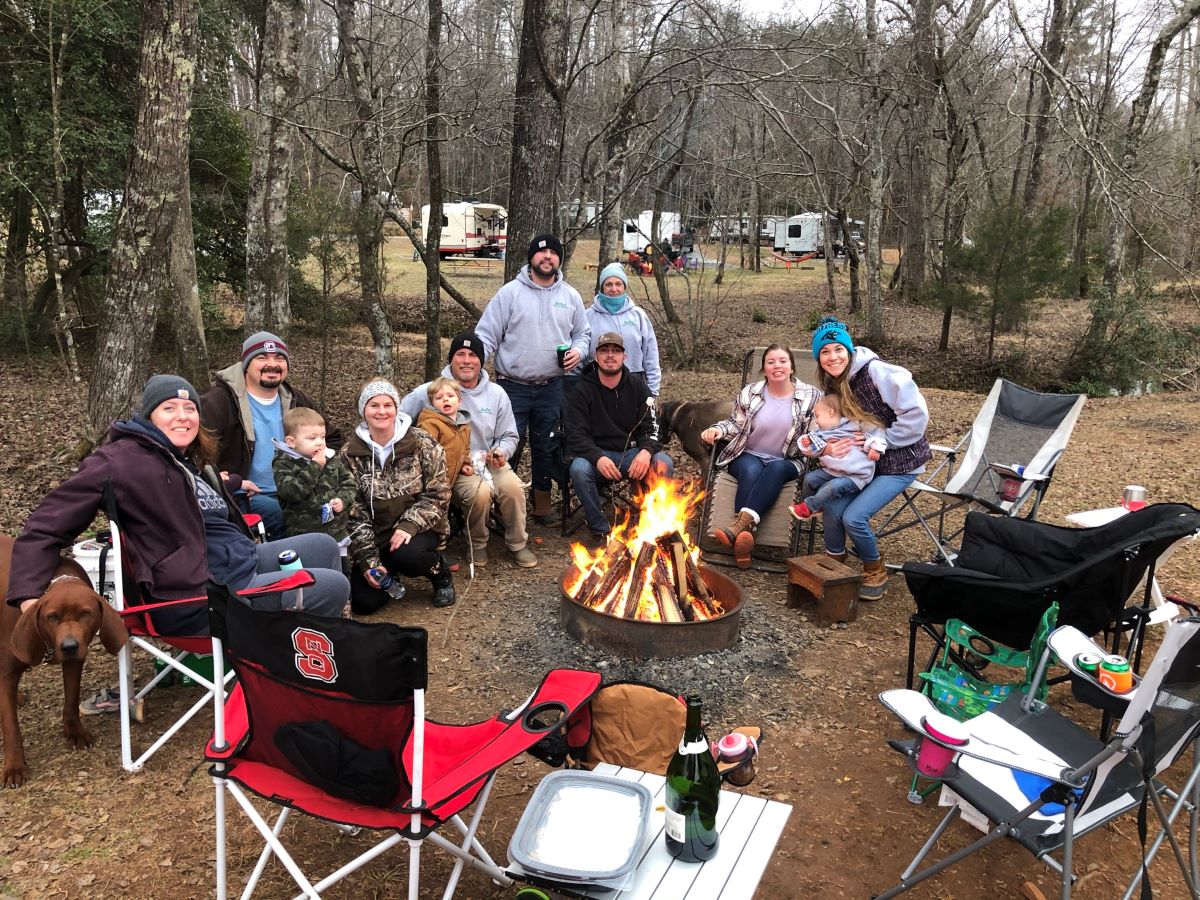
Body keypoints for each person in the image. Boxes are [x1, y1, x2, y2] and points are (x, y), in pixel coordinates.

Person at [5, 375, 352, 712]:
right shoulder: (120, 460)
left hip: (235, 562)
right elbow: (43, 528)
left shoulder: (180, 458)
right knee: (332, 586)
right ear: (149, 415)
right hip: (198, 595)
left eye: (190, 409)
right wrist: (28, 597)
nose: (182, 416)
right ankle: (296, 678)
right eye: (169, 407)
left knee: (322, 545)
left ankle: (311, 660)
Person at [808, 316, 931, 600]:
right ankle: (834, 564)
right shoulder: (835, 385)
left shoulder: (877, 372)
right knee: (833, 509)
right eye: (824, 352)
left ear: (849, 349)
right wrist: (827, 449)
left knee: (854, 517)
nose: (832, 356)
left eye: (838, 348)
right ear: (818, 358)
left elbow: (917, 415)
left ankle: (874, 567)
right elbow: (838, 428)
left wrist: (884, 441)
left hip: (900, 464)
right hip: (864, 464)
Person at [475, 233, 590, 526]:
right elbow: (486, 336)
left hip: (552, 386)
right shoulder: (510, 294)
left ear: (559, 259)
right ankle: (501, 507)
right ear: (530, 258)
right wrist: (471, 370)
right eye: (541, 253)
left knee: (545, 447)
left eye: (553, 253)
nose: (547, 257)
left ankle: (541, 506)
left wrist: (578, 350)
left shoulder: (570, 297)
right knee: (506, 446)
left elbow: (583, 334)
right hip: (511, 387)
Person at [399, 332, 536, 568]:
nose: (466, 360)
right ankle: (478, 544)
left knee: (514, 488)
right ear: (451, 359)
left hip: (489, 461)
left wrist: (502, 451)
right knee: (479, 493)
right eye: (459, 354)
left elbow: (510, 434)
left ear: (481, 361)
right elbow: (399, 418)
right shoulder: (431, 390)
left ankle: (517, 544)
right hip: (454, 467)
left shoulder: (496, 394)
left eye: (472, 355)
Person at [200, 331, 342, 541]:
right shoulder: (218, 402)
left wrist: (319, 469)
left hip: (298, 487)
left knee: (337, 512)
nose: (272, 364)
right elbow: (198, 450)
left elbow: (333, 440)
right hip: (248, 493)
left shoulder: (297, 400)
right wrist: (229, 482)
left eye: (279, 358)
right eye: (262, 357)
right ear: (246, 364)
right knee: (291, 517)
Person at [700, 344, 821, 568]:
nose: (777, 366)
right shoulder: (750, 393)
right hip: (747, 454)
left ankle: (737, 529)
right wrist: (718, 430)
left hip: (788, 460)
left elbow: (818, 432)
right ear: (764, 369)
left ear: (792, 367)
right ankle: (745, 534)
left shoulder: (812, 396)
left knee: (775, 468)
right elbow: (735, 424)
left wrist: (813, 445)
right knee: (751, 468)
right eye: (771, 362)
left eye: (783, 361)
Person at [342, 379, 456, 613]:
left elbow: (439, 494)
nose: (382, 411)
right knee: (364, 603)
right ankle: (388, 570)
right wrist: (368, 561)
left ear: (397, 408)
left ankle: (439, 572)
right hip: (377, 536)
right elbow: (353, 512)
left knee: (409, 556)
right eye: (374, 405)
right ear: (363, 410)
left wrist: (409, 525)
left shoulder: (421, 442)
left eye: (388, 405)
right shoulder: (349, 454)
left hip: (421, 530)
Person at [566, 332, 673, 544]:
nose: (610, 355)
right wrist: (597, 457)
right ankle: (600, 529)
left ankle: (651, 523)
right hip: (598, 456)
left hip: (632, 454)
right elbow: (575, 434)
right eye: (604, 350)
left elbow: (653, 427)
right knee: (578, 469)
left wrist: (645, 452)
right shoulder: (582, 390)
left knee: (663, 462)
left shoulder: (638, 387)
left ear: (625, 357)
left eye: (616, 351)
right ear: (596, 356)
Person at [272, 408, 357, 556]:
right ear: (291, 441)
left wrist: (342, 500)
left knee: (341, 572)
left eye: (322, 437)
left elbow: (349, 483)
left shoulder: (331, 458)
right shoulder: (284, 464)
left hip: (337, 533)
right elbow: (291, 493)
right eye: (312, 438)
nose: (320, 443)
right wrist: (315, 467)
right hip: (305, 536)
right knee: (314, 574)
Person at [788, 395, 887, 520]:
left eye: (817, 416)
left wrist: (875, 447)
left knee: (830, 487)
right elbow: (808, 442)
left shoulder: (854, 424)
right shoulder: (822, 431)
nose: (816, 421)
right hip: (832, 471)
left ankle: (809, 507)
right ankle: (813, 506)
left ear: (830, 412)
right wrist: (807, 442)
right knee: (810, 479)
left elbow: (877, 433)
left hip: (855, 476)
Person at [574, 262, 661, 396]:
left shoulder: (638, 316)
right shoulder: (588, 316)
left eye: (618, 284)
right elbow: (580, 351)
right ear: (602, 287)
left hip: (633, 381)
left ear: (624, 286)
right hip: (596, 384)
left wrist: (653, 391)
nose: (614, 289)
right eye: (608, 284)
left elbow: (651, 355)